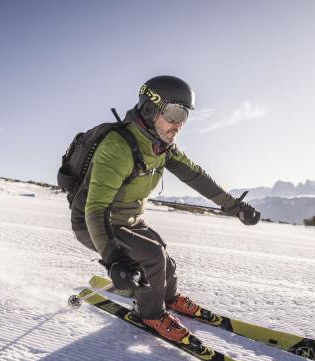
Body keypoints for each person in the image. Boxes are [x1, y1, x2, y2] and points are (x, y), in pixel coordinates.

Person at [70, 75, 260, 343]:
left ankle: (167, 297)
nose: (179, 124)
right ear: (150, 109)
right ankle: (150, 313)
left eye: (185, 116)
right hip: (94, 223)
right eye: (174, 112)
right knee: (152, 255)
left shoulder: (162, 147)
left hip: (129, 219)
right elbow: (96, 208)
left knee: (163, 256)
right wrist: (113, 258)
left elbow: (196, 177)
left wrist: (234, 206)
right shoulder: (117, 147)